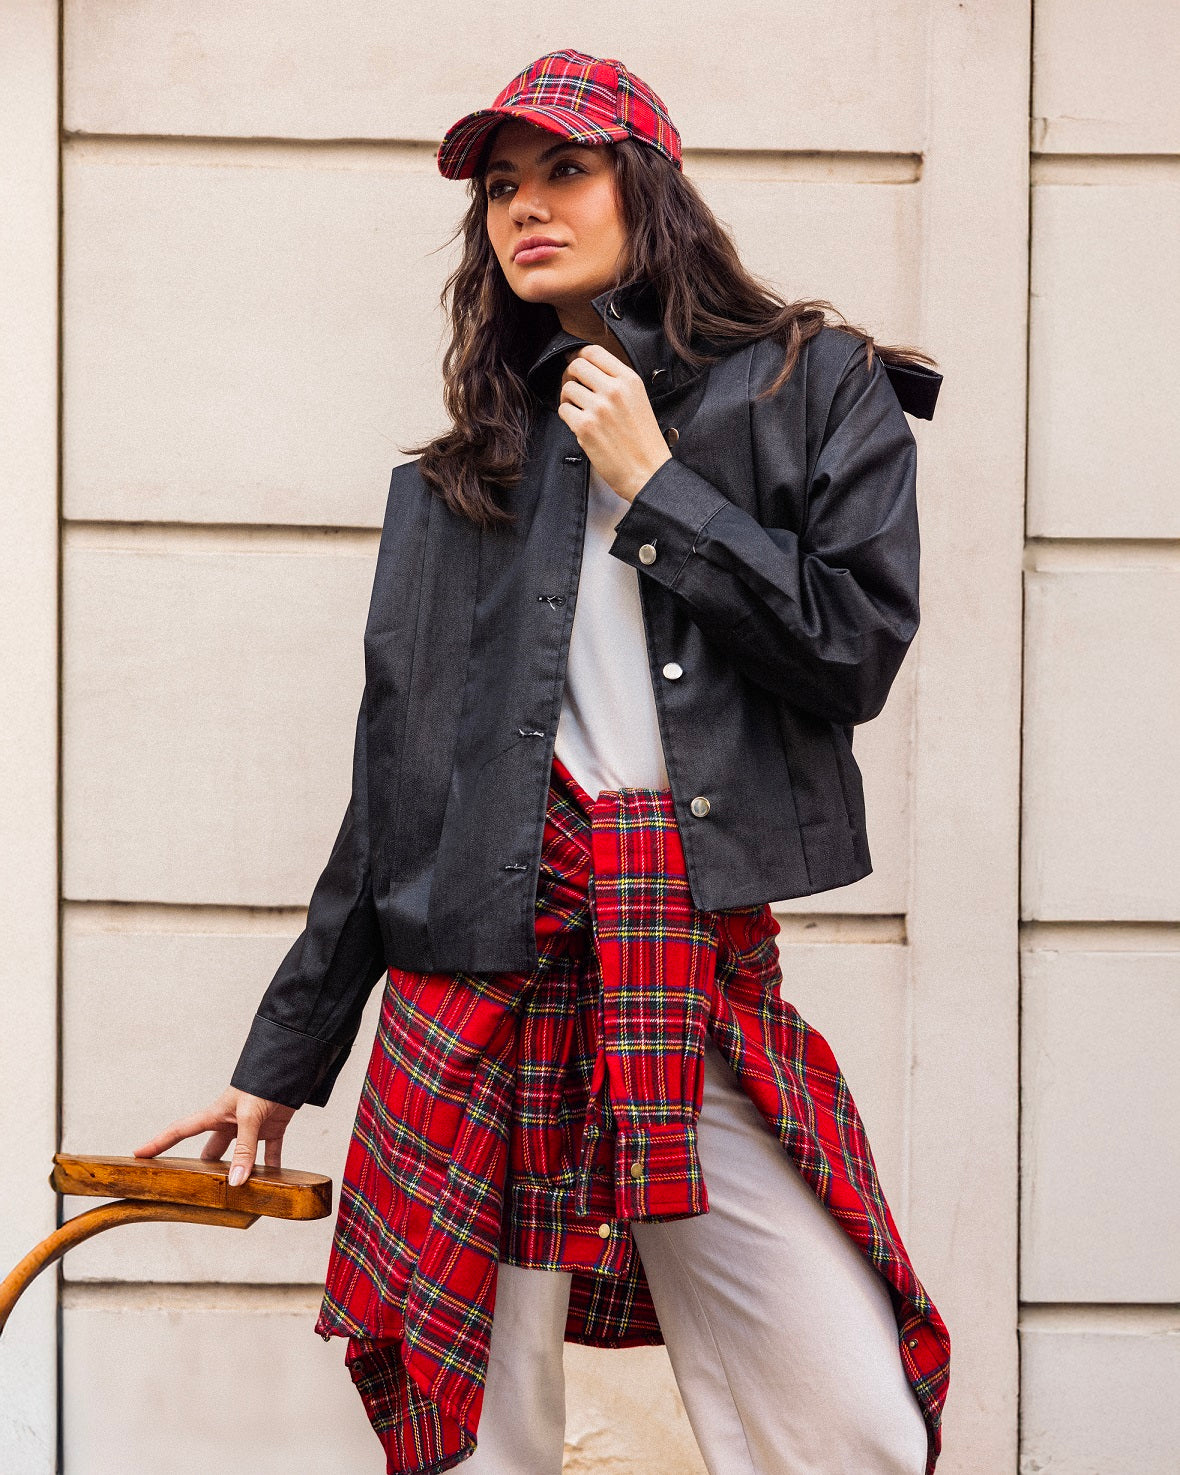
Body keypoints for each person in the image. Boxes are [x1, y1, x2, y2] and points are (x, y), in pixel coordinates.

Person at [135, 48, 951, 1475]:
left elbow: (850, 653)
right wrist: (282, 1061)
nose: (527, 207)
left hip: (676, 976)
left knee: (853, 1427)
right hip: (473, 995)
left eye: (564, 170)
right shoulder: (461, 480)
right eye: (502, 186)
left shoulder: (814, 388)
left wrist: (660, 488)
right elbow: (396, 797)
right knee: (480, 1446)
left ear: (653, 185)